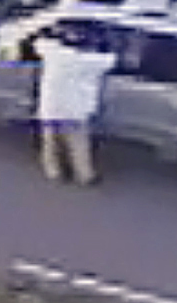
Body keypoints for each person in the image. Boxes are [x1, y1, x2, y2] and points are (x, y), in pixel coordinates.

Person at [23, 21, 117, 186]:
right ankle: (84, 175)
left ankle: (54, 172)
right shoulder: (92, 62)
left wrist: (50, 31)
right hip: (76, 111)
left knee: (50, 144)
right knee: (79, 146)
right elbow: (112, 59)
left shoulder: (54, 53)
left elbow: (38, 41)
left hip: (51, 107)